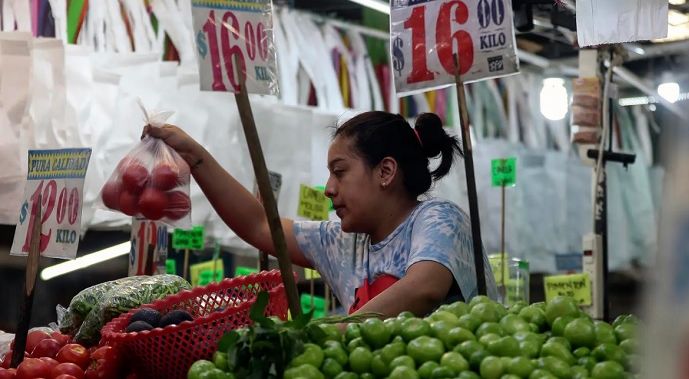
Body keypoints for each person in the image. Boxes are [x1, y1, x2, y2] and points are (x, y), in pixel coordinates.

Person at [146, 110, 499, 317]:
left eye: (340, 172)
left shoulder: (439, 219)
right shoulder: (344, 241)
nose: (329, 188)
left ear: (386, 172)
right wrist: (195, 157)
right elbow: (257, 225)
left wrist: (339, 333)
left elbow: (424, 287)